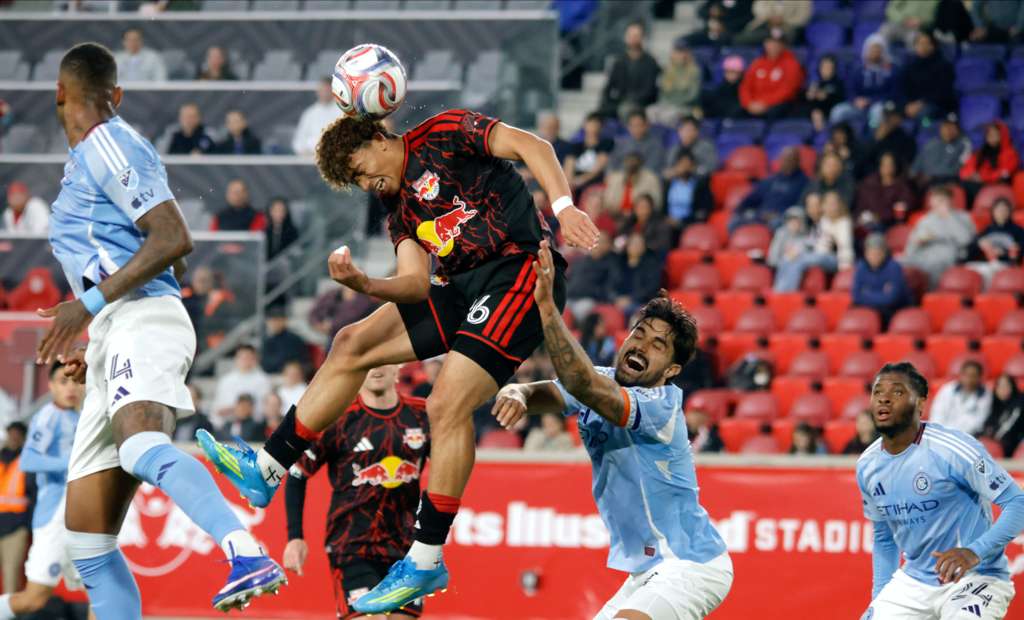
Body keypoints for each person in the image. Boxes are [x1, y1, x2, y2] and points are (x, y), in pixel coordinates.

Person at [199, 107, 599, 614]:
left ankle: (426, 558)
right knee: (350, 343)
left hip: (519, 270)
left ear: (376, 137)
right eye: (356, 183)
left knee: (445, 404)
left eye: (360, 170)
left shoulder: (444, 133)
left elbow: (532, 145)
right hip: (458, 285)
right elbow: (413, 283)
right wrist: (365, 284)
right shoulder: (397, 209)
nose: (366, 184)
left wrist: (564, 207)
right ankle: (268, 468)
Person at [39, 42, 284, 615]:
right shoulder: (92, 158)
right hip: (117, 329)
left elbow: (174, 239)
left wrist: (88, 305)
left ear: (59, 93)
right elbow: (171, 257)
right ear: (118, 93)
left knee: (141, 444)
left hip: (144, 317)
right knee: (88, 544)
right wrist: (99, 337)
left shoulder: (108, 142)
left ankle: (244, 550)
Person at [492, 279, 732, 619]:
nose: (642, 346)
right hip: (648, 571)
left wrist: (548, 310)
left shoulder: (659, 406)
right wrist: (518, 393)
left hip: (691, 564)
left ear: (671, 370)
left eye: (658, 345)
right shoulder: (602, 380)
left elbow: (581, 383)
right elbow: (546, 392)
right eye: (639, 334)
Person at [858, 362, 1024, 619]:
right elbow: (884, 538)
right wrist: (879, 598)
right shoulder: (867, 465)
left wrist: (975, 552)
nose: (884, 399)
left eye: (897, 392)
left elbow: (1017, 503)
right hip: (914, 582)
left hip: (976, 577)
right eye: (877, 392)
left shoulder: (953, 448)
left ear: (920, 403)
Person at [282, 365, 429, 620]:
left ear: (398, 366)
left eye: (384, 359)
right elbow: (297, 475)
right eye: (370, 362)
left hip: (406, 547)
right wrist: (295, 537)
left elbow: (447, 466)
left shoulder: (422, 414)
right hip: (351, 546)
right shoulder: (338, 418)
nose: (376, 368)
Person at [0, 363, 83, 618]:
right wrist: (73, 463)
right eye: (63, 381)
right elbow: (28, 460)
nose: (70, 387)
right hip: (54, 517)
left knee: (100, 592)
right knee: (33, 599)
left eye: (75, 381)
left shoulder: (82, 417)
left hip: (83, 515)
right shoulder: (48, 416)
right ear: (51, 386)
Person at [774, 191, 853, 292]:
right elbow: (815, 243)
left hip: (835, 259)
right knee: (787, 258)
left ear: (839, 205)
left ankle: (788, 292)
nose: (830, 207)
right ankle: (778, 290)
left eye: (833, 204)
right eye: (827, 204)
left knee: (800, 259)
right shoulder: (824, 221)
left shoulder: (843, 223)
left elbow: (845, 248)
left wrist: (845, 268)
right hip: (819, 256)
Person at [901, 186, 975, 288]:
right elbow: (911, 246)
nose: (938, 204)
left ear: (950, 201)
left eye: (941, 200)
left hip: (947, 256)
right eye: (935, 200)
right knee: (897, 264)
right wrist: (917, 242)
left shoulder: (963, 217)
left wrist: (949, 216)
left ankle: (931, 294)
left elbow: (966, 240)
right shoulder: (925, 220)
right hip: (923, 255)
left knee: (934, 265)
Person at [730, 146, 807, 232]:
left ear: (797, 161)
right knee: (735, 222)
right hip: (760, 215)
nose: (786, 162)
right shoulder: (771, 180)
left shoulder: (804, 182)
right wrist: (739, 209)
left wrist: (780, 214)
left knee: (776, 223)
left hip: (781, 218)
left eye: (790, 159)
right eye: (783, 159)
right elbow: (753, 197)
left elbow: (799, 206)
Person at [831, 34, 898, 130]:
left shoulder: (891, 70)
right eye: (872, 49)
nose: (875, 52)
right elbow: (850, 89)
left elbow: (893, 93)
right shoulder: (857, 70)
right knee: (838, 111)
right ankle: (839, 136)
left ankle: (874, 137)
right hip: (859, 106)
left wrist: (871, 101)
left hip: (880, 105)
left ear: (883, 51)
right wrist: (855, 100)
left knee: (877, 111)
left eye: (878, 49)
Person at [599, 21, 661, 120]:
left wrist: (631, 100)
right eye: (630, 35)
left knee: (626, 109)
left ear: (642, 38)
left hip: (641, 103)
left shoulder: (650, 62)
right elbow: (609, 85)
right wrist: (605, 100)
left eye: (636, 36)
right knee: (598, 113)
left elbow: (649, 90)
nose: (633, 39)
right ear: (625, 38)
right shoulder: (619, 61)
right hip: (621, 100)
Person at [738, 30, 805, 119]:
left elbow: (788, 90)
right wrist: (748, 103)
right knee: (736, 112)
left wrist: (765, 102)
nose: (773, 46)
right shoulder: (757, 63)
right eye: (770, 42)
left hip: (777, 104)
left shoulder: (792, 64)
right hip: (754, 104)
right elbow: (745, 86)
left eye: (777, 43)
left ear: (783, 45)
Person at [852, 233, 913, 326]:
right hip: (871, 309)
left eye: (877, 253)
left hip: (894, 311)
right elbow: (856, 296)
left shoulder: (894, 267)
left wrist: (867, 294)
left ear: (884, 253)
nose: (874, 257)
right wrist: (882, 294)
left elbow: (892, 298)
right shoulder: (861, 267)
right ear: (865, 253)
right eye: (871, 253)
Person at [0, 422, 31, 595]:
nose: (13, 437)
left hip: (16, 528)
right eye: (11, 433)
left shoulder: (28, 462)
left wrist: (27, 526)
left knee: (10, 577)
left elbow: (34, 495)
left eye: (17, 434)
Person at [900, 30, 957, 122]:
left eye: (926, 43)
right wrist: (908, 104)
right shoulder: (910, 66)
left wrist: (920, 104)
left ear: (933, 46)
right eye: (919, 44)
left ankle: (924, 130)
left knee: (923, 117)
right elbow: (904, 88)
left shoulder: (943, 65)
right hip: (913, 105)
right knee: (892, 113)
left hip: (937, 105)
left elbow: (943, 92)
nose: (922, 47)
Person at [854, 151, 917, 233]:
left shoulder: (902, 186)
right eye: (884, 164)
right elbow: (860, 207)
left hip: (890, 225)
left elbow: (906, 205)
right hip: (867, 223)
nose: (886, 167)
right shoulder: (868, 184)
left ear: (895, 166)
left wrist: (881, 217)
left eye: (890, 164)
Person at [211, 344, 271, 428]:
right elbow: (217, 409)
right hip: (228, 425)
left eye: (248, 357)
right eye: (242, 357)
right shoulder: (226, 380)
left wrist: (244, 410)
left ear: (255, 359)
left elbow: (265, 409)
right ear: (236, 359)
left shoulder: (263, 380)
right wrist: (233, 409)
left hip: (254, 426)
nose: (245, 360)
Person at [967, 198, 1024, 285]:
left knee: (988, 271)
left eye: (1004, 210)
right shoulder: (987, 229)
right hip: (987, 262)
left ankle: (987, 293)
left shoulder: (1017, 230)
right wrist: (979, 244)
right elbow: (972, 248)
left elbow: (1019, 251)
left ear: (1009, 212)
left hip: (1005, 263)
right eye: (998, 210)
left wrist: (1004, 252)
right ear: (993, 212)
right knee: (968, 267)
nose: (1001, 212)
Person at [929, 360, 993, 436]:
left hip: (965, 436)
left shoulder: (985, 395)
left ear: (980, 377)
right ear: (960, 375)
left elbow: (978, 423)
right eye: (966, 375)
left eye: (973, 376)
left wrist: (955, 435)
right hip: (940, 433)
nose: (969, 379)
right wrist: (939, 432)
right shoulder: (948, 389)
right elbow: (937, 412)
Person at [910, 112, 972, 188]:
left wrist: (931, 175)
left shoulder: (964, 144)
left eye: (953, 127)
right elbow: (917, 163)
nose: (949, 130)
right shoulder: (932, 143)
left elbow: (959, 169)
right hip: (925, 182)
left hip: (948, 182)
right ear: (941, 127)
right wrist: (914, 175)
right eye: (946, 126)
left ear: (958, 130)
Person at [566, 234, 620, 320]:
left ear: (609, 245)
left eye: (601, 242)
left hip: (588, 299)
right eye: (595, 241)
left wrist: (598, 295)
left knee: (580, 311)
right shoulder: (579, 261)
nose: (597, 244)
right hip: (569, 297)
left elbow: (610, 287)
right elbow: (567, 280)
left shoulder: (611, 264)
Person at [960, 120, 1020, 194]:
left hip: (996, 187)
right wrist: (971, 175)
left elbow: (1003, 174)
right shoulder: (980, 152)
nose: (991, 136)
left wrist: (983, 177)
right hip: (978, 185)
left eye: (995, 134)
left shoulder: (1010, 153)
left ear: (1002, 135)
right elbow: (965, 170)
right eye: (989, 133)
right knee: (961, 186)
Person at [308, 285, 377, 347]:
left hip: (351, 339)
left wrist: (331, 326)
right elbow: (314, 312)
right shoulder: (332, 294)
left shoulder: (364, 300)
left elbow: (351, 318)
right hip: (332, 336)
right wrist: (318, 324)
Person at [563, 112, 614, 196]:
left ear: (601, 127)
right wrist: (569, 182)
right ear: (584, 125)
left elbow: (597, 169)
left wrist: (579, 181)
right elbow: (568, 168)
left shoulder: (605, 145)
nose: (592, 128)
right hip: (574, 184)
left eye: (595, 125)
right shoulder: (575, 146)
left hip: (593, 183)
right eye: (590, 124)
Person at [863, 101, 918, 175]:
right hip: (874, 175)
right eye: (887, 116)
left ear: (900, 118)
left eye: (893, 116)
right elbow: (866, 158)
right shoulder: (876, 134)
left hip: (895, 176)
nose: (889, 119)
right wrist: (876, 139)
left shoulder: (906, 139)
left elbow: (907, 164)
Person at [664, 150, 714, 230]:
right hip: (668, 224)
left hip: (688, 224)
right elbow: (662, 208)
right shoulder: (668, 184)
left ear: (692, 167)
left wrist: (681, 221)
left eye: (687, 164)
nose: (684, 168)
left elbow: (703, 211)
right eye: (682, 164)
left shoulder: (700, 185)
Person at [614, 233, 662, 314]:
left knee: (630, 310)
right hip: (618, 300)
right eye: (633, 243)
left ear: (644, 247)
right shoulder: (618, 263)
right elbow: (610, 285)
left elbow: (651, 288)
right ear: (627, 246)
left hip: (640, 302)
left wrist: (631, 299)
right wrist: (615, 298)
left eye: (639, 244)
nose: (636, 246)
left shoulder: (651, 265)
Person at [292, 77, 340, 156]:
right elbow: (298, 142)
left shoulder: (343, 113)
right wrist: (304, 152)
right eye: (322, 90)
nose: (324, 93)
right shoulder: (309, 113)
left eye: (327, 90)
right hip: (311, 159)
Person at [982, 374, 1024, 459]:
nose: (1003, 389)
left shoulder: (1019, 403)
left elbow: (1009, 429)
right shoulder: (993, 404)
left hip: (1012, 446)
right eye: (1000, 386)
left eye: (1006, 386)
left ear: (1013, 387)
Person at [658, 41, 702, 116]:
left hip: (686, 107)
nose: (681, 55)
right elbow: (662, 94)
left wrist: (675, 103)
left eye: (683, 52)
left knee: (669, 115)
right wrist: (666, 105)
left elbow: (693, 96)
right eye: (678, 52)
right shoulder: (667, 70)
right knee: (651, 112)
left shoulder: (694, 71)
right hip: (667, 106)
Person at [736, 0, 811, 44]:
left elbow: (803, 17)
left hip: (788, 27)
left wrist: (783, 20)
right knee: (741, 39)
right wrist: (770, 17)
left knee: (783, 37)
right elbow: (757, 8)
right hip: (766, 24)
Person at [804, 54, 845, 132]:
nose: (826, 70)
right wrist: (809, 95)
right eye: (823, 67)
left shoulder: (838, 83)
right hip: (814, 112)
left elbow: (839, 99)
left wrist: (826, 97)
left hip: (831, 112)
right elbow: (806, 99)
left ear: (834, 69)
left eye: (829, 67)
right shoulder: (816, 83)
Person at [261, 307, 309, 374]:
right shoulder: (267, 341)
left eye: (277, 320)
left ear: (284, 321)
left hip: (293, 376)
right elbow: (265, 365)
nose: (274, 323)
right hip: (272, 376)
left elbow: (303, 362)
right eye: (271, 321)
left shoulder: (294, 339)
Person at [701, 55, 745, 119]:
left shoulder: (744, 88)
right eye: (727, 71)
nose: (729, 75)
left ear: (740, 73)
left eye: (733, 72)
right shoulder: (721, 88)